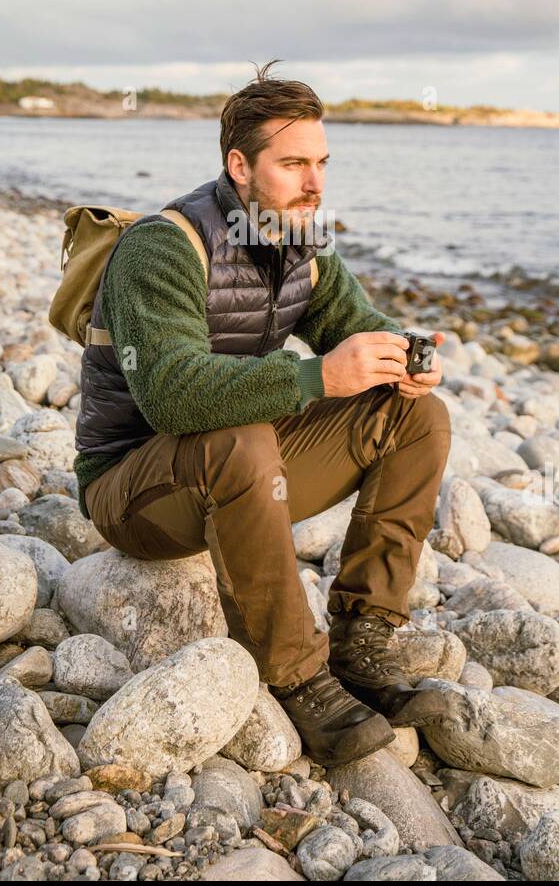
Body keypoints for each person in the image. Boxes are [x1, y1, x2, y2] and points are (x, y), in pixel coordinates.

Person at [73, 59, 451, 765]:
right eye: (294, 164)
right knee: (240, 435)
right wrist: (314, 377)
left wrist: (409, 358)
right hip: (135, 493)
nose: (315, 183)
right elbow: (173, 393)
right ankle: (296, 675)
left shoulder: (303, 242)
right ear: (240, 166)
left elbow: (357, 327)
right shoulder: (162, 246)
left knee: (417, 419)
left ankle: (361, 643)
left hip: (232, 477)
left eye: (322, 163)